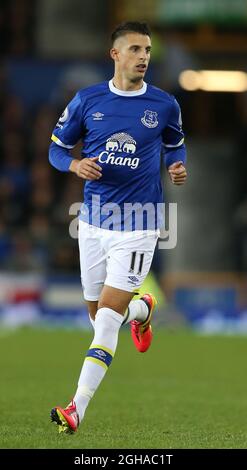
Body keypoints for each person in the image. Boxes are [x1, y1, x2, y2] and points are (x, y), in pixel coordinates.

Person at [48, 21, 187, 434]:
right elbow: (56, 149)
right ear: (115, 54)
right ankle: (143, 309)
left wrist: (177, 166)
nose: (144, 56)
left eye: (147, 50)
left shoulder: (164, 104)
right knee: (98, 314)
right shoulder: (87, 100)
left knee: (107, 320)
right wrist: (74, 164)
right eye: (135, 49)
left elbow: (175, 143)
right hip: (92, 222)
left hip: (140, 223)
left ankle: (76, 409)